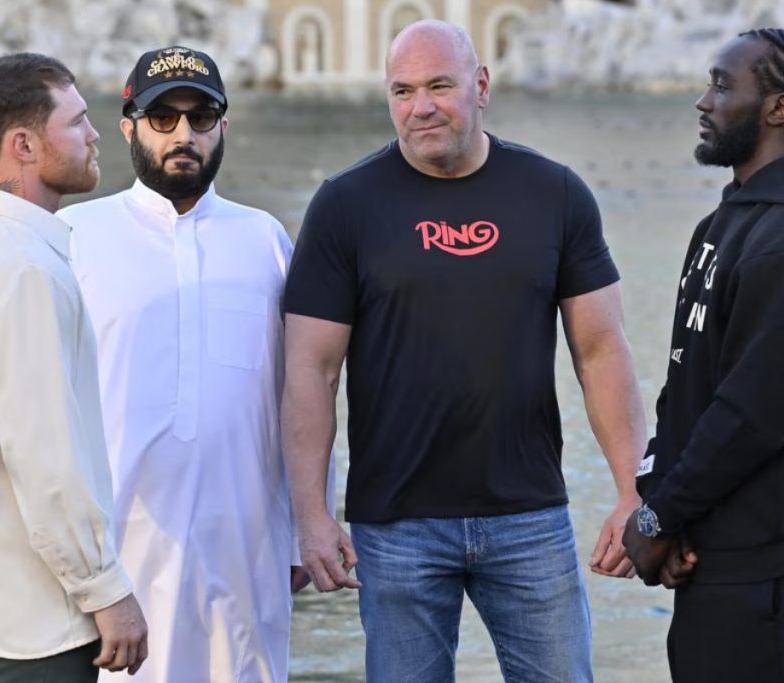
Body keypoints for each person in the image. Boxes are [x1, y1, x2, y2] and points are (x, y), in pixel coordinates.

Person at [282, 19, 647, 682]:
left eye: (439, 85)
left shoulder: (555, 194)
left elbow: (601, 349)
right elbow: (311, 368)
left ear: (481, 86)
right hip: (396, 528)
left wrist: (631, 491)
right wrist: (310, 512)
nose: (420, 106)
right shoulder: (344, 205)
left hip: (530, 517)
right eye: (402, 90)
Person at [622, 28, 784, 683]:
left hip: (777, 566)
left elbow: (753, 414)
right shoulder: (722, 226)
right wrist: (664, 507)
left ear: (779, 109)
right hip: (712, 554)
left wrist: (659, 519)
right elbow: (687, 384)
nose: (702, 101)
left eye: (720, 84)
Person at [57, 46, 329, 683]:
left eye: (201, 117)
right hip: (114, 563)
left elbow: (304, 391)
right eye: (163, 117)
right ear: (128, 127)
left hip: (245, 551)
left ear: (223, 127)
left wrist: (303, 524)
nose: (183, 134)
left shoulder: (265, 240)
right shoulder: (75, 236)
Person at [0, 53, 148, 683]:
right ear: (23, 144)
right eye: (76, 122)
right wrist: (106, 589)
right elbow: (43, 457)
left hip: (6, 612)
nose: (96, 134)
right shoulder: (23, 267)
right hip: (42, 625)